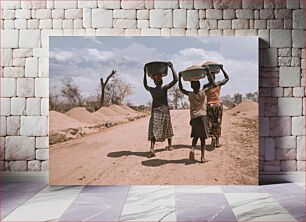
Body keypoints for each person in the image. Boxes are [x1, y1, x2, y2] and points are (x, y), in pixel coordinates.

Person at [178, 65, 215, 163]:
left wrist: (179, 77)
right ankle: (202, 157)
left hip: (194, 117)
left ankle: (193, 148)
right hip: (202, 116)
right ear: (199, 85)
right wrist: (208, 71)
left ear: (191, 86)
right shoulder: (203, 92)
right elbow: (213, 83)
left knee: (195, 135)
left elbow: (181, 89)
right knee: (202, 138)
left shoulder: (189, 94)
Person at [143, 62, 178, 158]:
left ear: (154, 82)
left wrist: (144, 73)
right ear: (161, 81)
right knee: (167, 127)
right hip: (165, 111)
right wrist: (171, 67)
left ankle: (152, 148)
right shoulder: (164, 88)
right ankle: (170, 146)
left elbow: (145, 85)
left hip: (155, 112)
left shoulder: (152, 90)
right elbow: (176, 79)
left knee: (153, 130)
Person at [202, 62, 229, 147]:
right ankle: (217, 141)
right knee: (218, 123)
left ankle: (213, 136)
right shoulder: (218, 84)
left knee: (210, 123)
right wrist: (222, 69)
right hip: (218, 105)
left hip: (209, 105)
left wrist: (207, 70)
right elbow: (227, 78)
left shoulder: (205, 86)